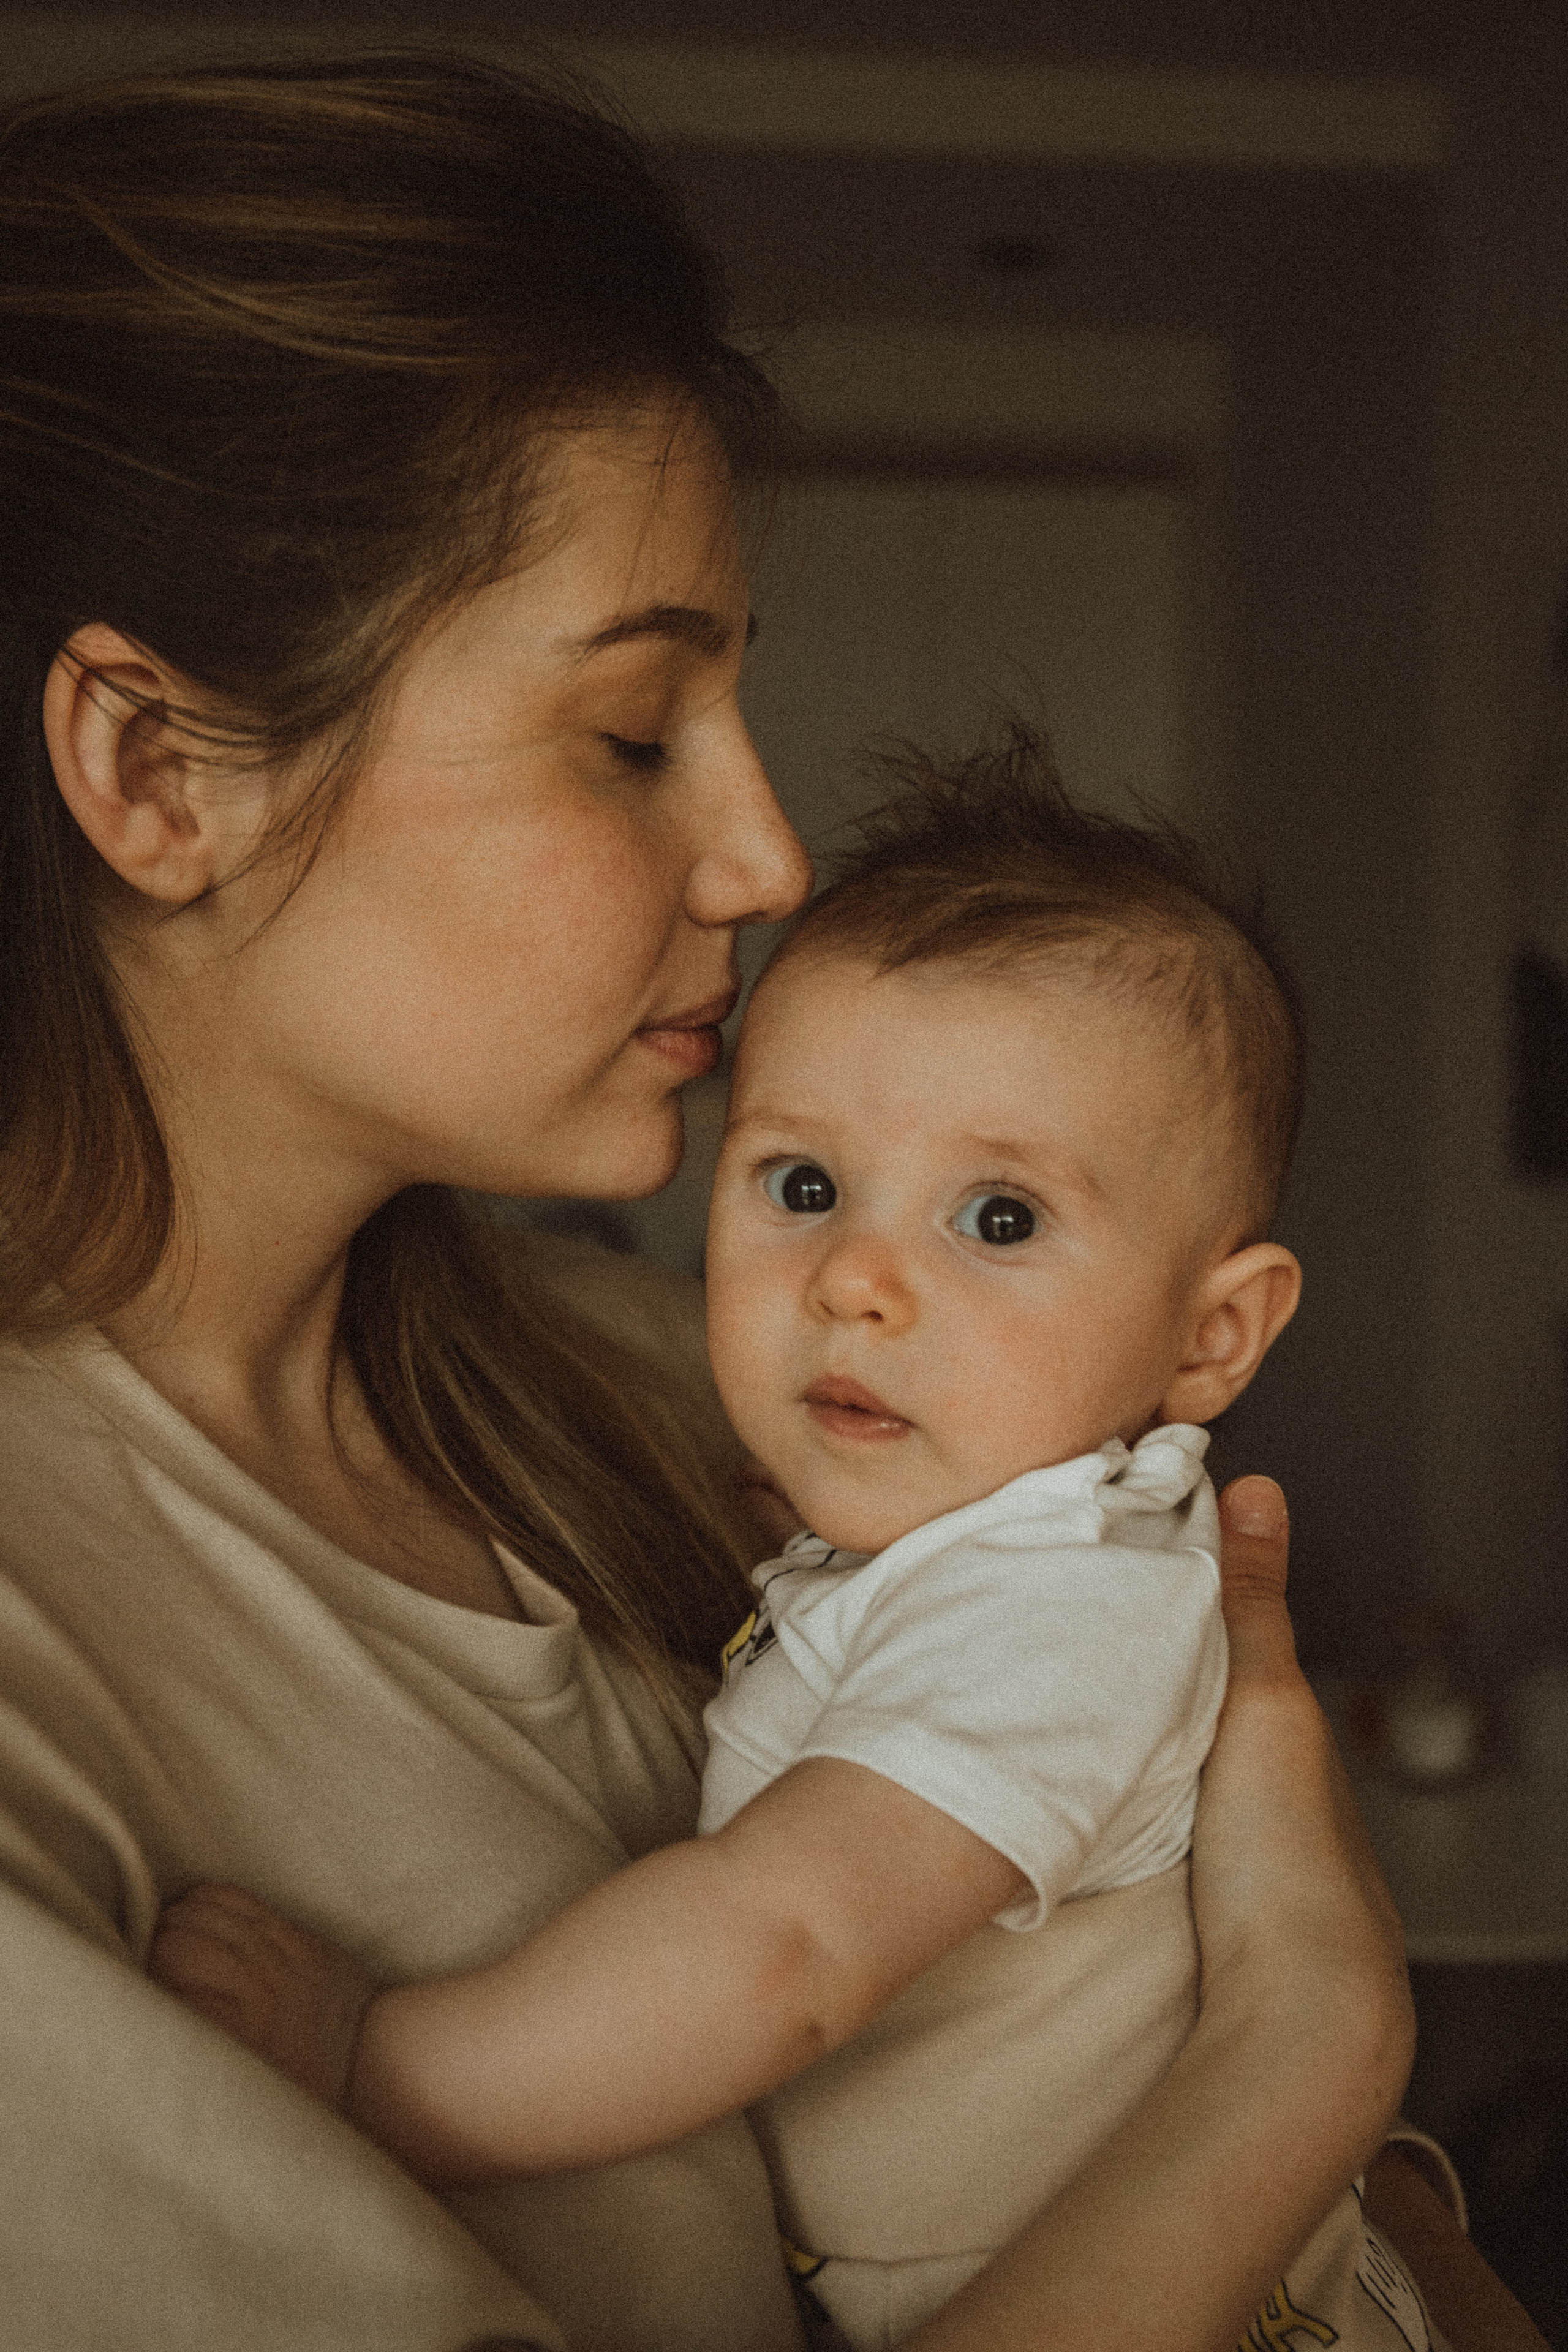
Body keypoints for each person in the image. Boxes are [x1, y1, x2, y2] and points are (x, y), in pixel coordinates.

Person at [0, 43, 1516, 2352]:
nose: (771, 859)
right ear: (154, 768)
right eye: (633, 732)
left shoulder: (697, 1376)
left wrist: (1355, 2174)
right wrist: (1309, 2061)